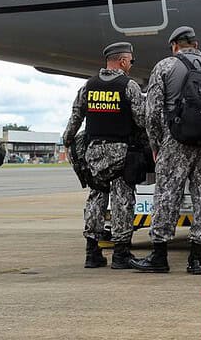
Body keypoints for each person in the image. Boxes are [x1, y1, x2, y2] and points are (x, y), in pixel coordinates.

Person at [131, 26, 201, 274]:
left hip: (175, 143)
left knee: (166, 196)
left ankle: (160, 256)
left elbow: (151, 112)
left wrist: (156, 145)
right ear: (196, 44)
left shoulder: (165, 67)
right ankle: (196, 259)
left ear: (175, 45)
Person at [62, 42, 146, 269]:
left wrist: (68, 140)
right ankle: (121, 254)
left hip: (94, 152)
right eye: (130, 60)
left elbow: (75, 119)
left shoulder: (88, 86)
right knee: (122, 200)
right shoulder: (129, 86)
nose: (130, 64)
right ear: (122, 61)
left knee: (96, 198)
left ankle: (92, 252)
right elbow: (141, 119)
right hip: (120, 151)